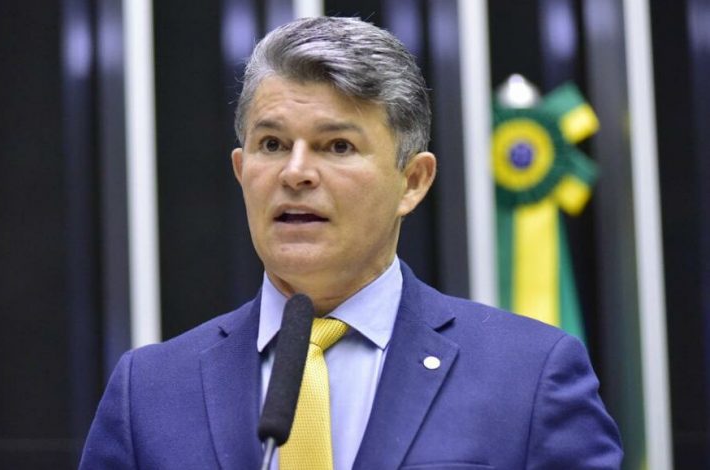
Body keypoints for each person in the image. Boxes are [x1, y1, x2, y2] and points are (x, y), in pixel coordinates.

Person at [80, 16, 622, 469]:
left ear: (412, 181)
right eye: (272, 144)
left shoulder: (529, 375)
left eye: (337, 146)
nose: (295, 172)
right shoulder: (149, 392)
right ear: (241, 171)